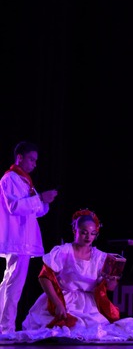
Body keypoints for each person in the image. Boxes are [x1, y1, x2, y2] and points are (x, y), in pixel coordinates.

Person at [0, 209, 133, 342]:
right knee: (59, 333)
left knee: (97, 333)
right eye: (84, 232)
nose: (88, 237)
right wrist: (57, 303)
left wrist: (110, 280)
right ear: (75, 230)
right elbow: (44, 277)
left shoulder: (100, 257)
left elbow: (111, 287)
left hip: (88, 304)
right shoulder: (64, 252)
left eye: (92, 233)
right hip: (64, 298)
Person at [0, 141, 58, 333]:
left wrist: (44, 201)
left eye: (36, 160)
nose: (34, 164)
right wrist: (40, 198)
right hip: (17, 240)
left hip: (23, 240)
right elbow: (14, 207)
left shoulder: (24, 180)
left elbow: (37, 210)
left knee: (10, 282)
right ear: (20, 158)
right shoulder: (10, 178)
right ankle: (6, 329)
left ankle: (4, 327)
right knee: (13, 285)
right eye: (31, 159)